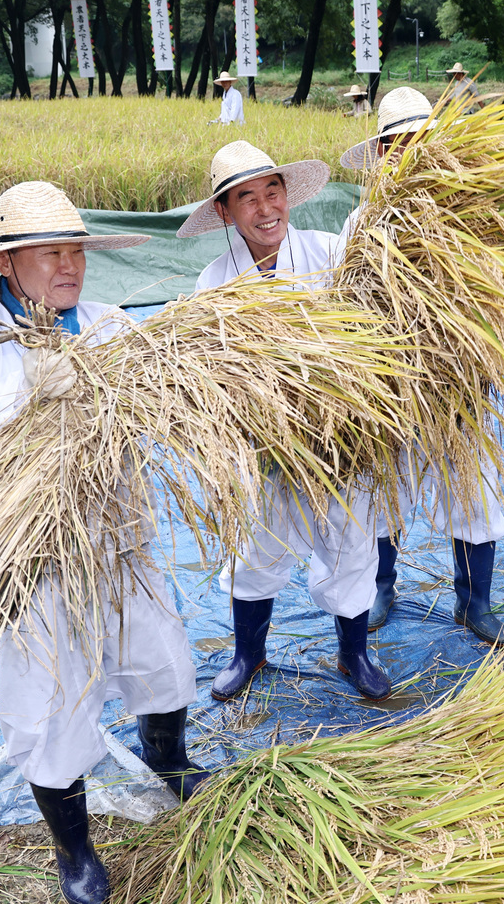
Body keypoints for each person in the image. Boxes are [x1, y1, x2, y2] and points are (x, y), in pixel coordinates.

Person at [0, 182, 207, 904]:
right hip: (35, 556)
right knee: (50, 699)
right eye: (51, 252)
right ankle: (73, 845)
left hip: (117, 535)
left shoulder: (109, 325)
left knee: (165, 658)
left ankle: (167, 758)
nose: (69, 265)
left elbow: (155, 405)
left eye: (76, 250)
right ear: (9, 263)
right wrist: (27, 388)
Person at [178, 141, 392, 702]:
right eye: (246, 197)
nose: (264, 207)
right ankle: (249, 655)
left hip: (343, 439)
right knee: (255, 549)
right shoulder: (215, 284)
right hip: (265, 447)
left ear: (288, 195)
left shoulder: (331, 254)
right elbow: (210, 373)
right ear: (224, 211)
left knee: (352, 542)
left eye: (272, 191)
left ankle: (355, 655)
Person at [338, 87, 504, 643]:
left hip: (461, 381)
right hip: (394, 383)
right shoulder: (361, 223)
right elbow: (343, 301)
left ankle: (473, 600)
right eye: (398, 145)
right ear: (384, 152)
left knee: (475, 488)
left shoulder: (473, 214)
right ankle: (383, 586)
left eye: (421, 143)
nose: (409, 154)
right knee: (385, 490)